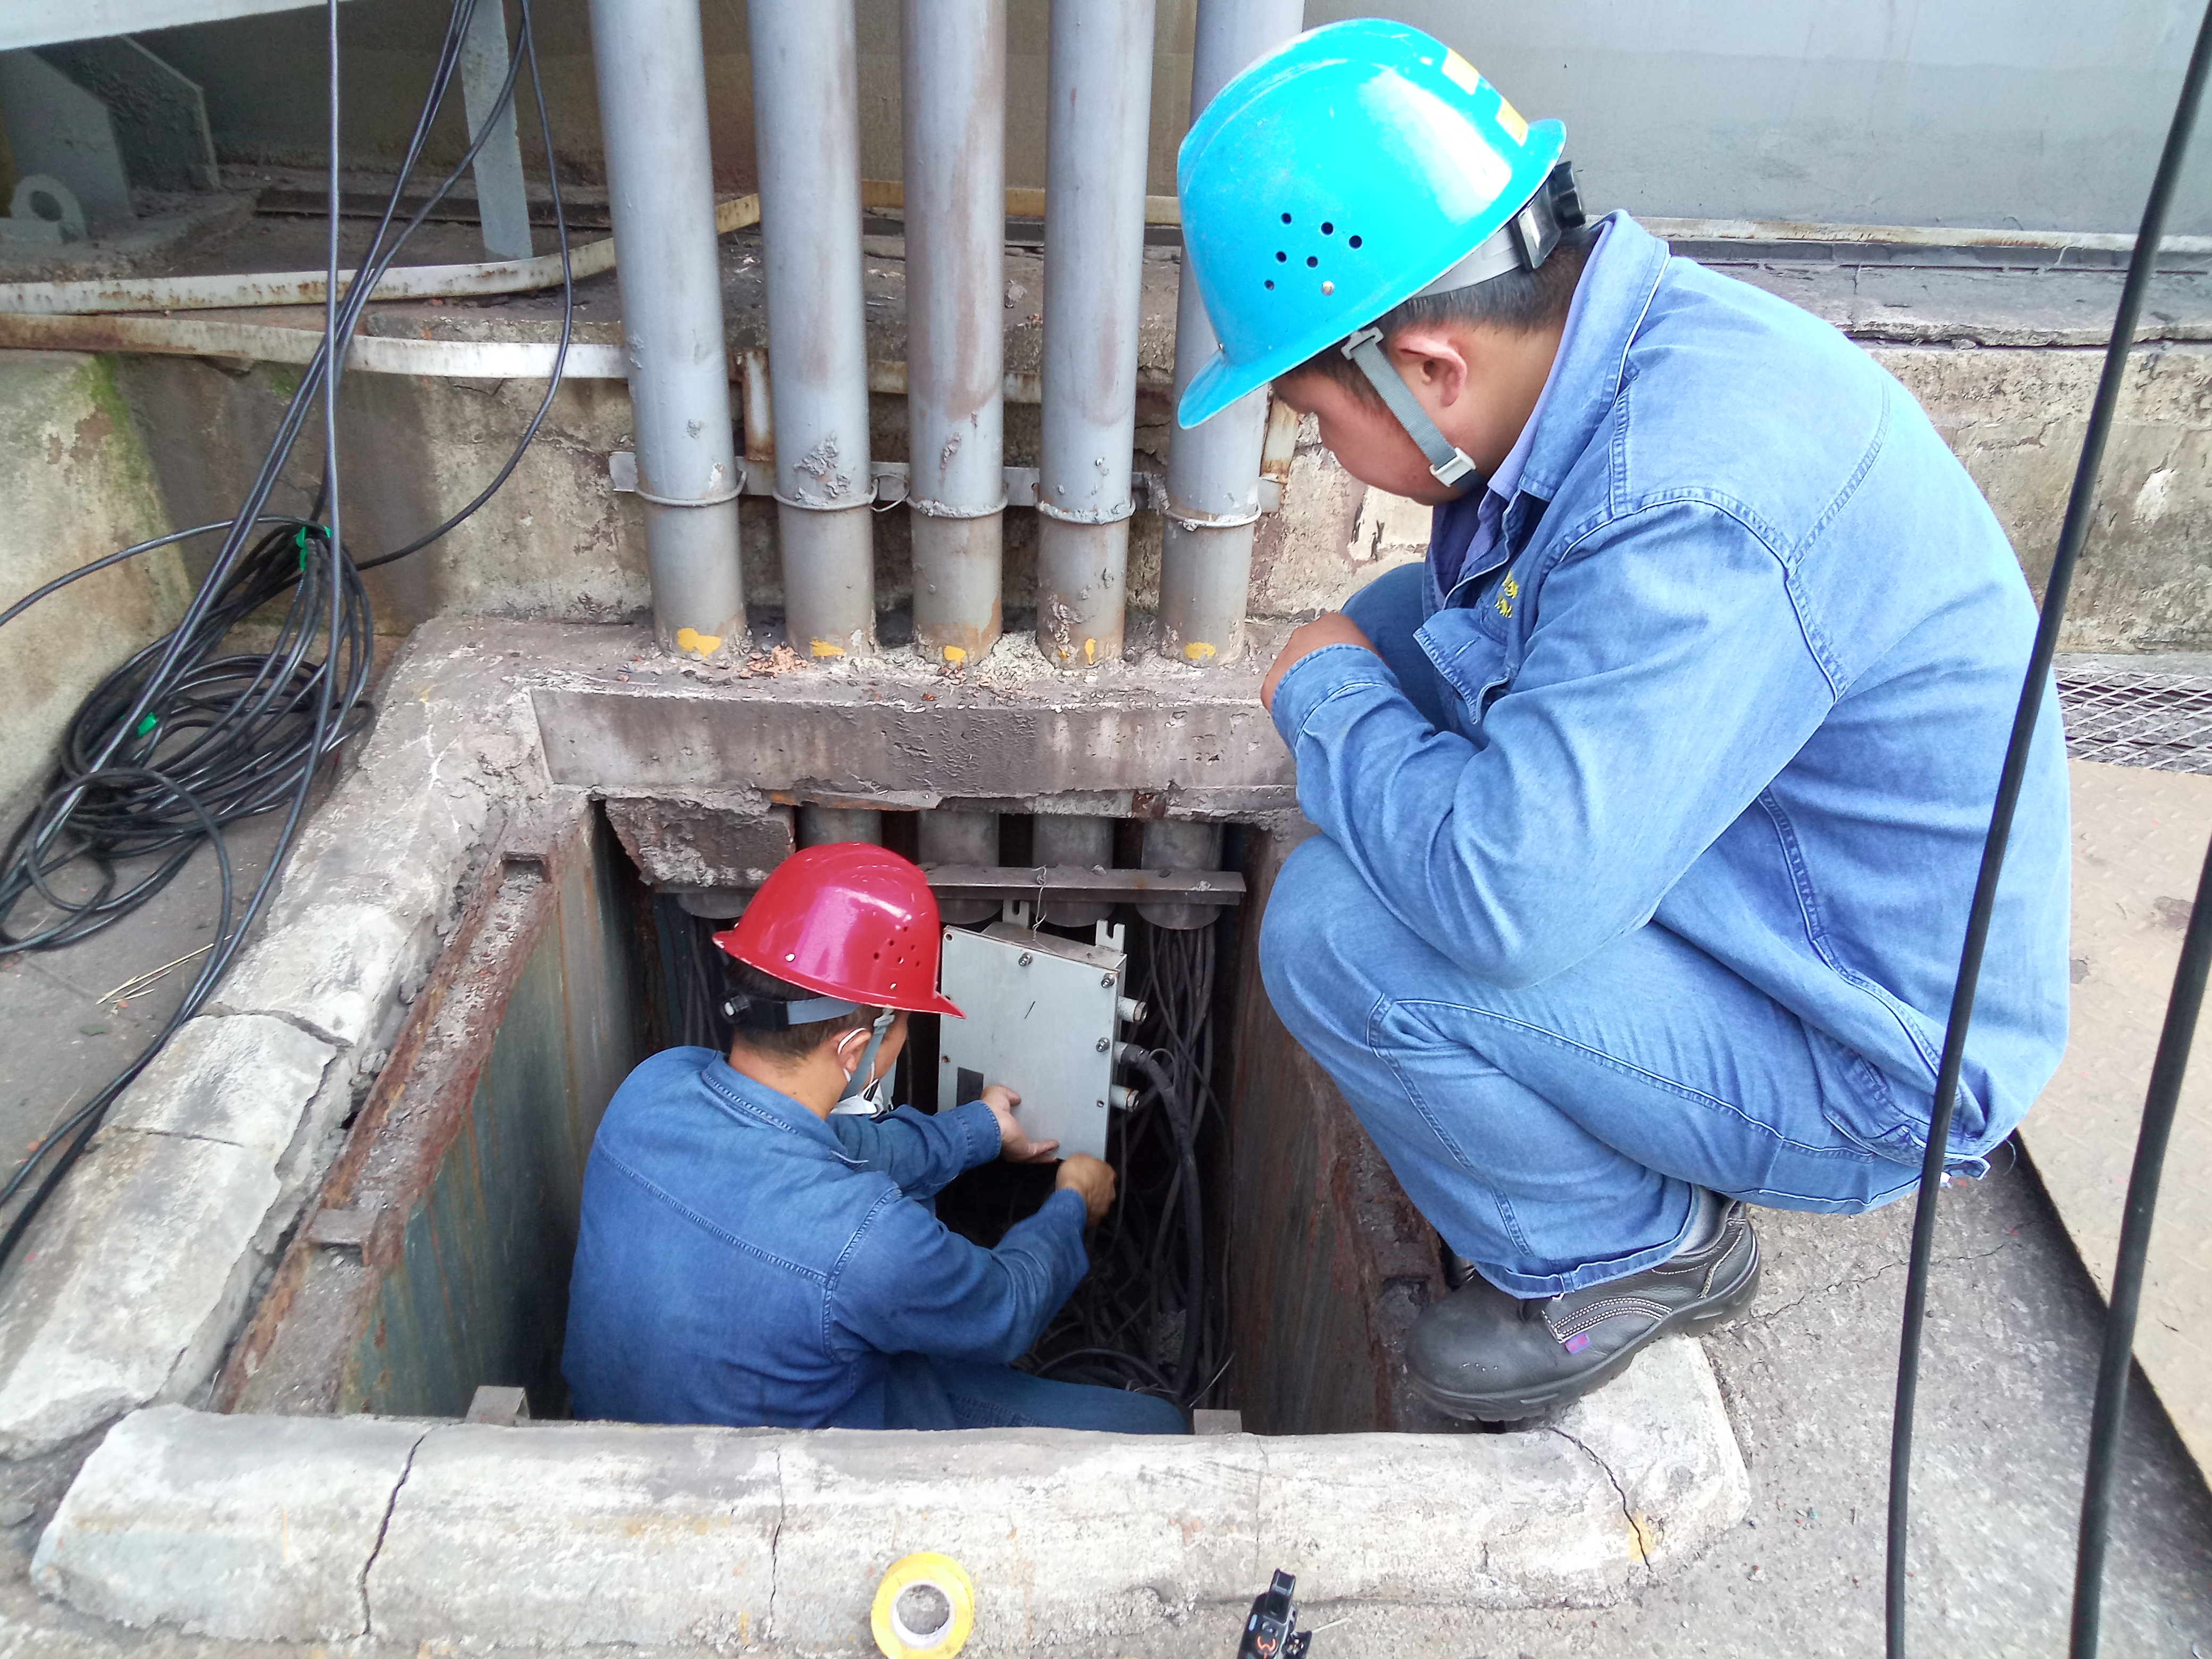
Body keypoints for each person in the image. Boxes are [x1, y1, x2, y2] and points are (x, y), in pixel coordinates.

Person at [1174, 20, 2069, 1420]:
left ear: (1424, 367)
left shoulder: (1690, 509)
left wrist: (1327, 694)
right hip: (1795, 886)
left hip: (1864, 1054)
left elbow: (1503, 903)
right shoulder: (1633, 351)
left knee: (1341, 932)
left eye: (1310, 413)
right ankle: (1619, 1099)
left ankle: (1632, 1253)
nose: (1312, 448)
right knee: (1413, 632)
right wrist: (1367, 690)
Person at [563, 842, 1186, 1435]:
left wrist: (980, 1130)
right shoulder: (867, 1241)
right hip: (788, 1495)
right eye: (903, 1029)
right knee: (1158, 1428)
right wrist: (1073, 1204)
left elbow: (850, 1146)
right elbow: (1007, 1309)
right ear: (856, 1048)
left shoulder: (652, 1086)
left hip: (618, 1438)